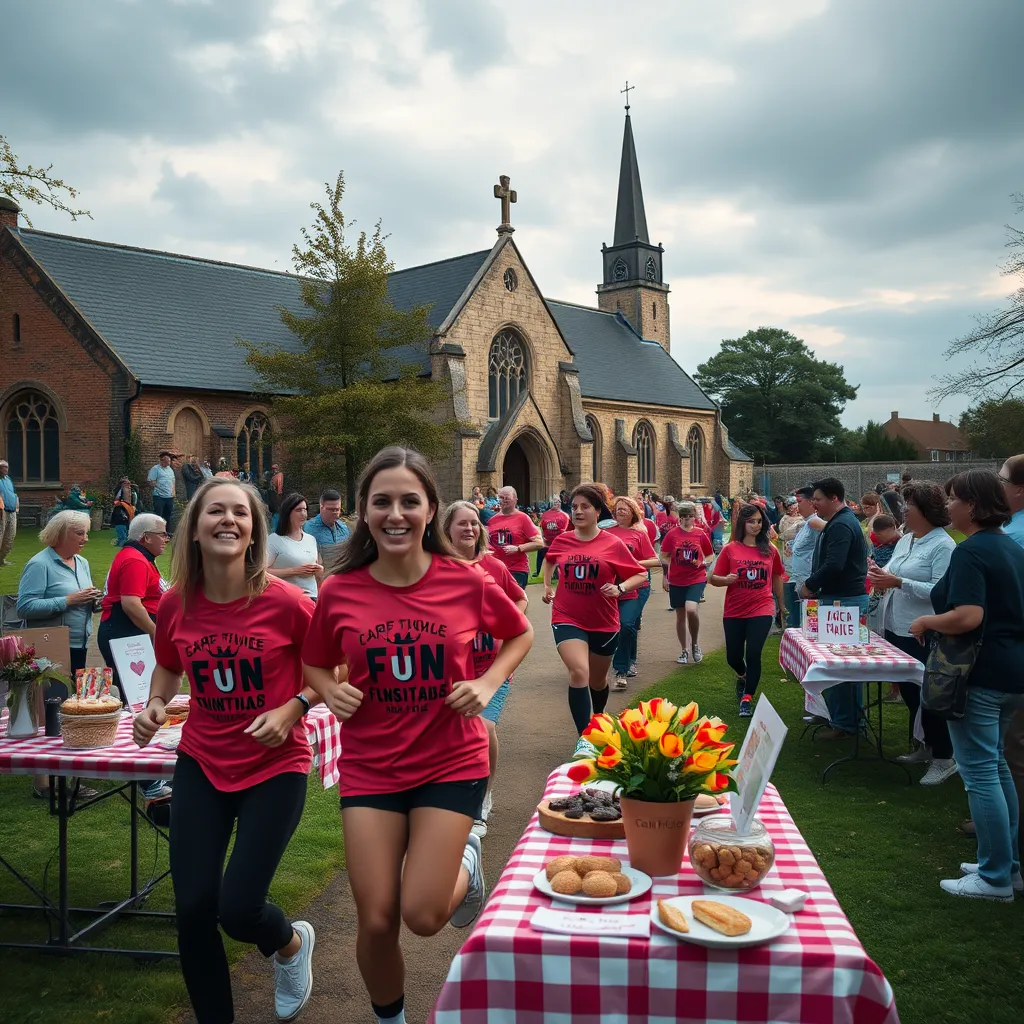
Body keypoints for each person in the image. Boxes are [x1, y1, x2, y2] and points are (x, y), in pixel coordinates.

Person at [301, 448, 532, 1024]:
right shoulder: (339, 590)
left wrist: (487, 682)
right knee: (377, 919)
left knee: (424, 915)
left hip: (450, 761)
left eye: (410, 501)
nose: (396, 513)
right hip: (372, 768)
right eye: (382, 501)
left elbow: (520, 633)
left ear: (430, 509)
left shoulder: (465, 579)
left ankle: (470, 863)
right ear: (363, 511)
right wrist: (329, 691)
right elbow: (314, 664)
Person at [132, 476, 321, 1021]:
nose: (228, 520)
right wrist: (155, 704)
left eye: (241, 513)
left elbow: (333, 667)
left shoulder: (285, 602)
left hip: (275, 765)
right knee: (192, 909)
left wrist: (293, 709)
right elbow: (168, 665)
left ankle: (289, 943)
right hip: (201, 764)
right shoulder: (175, 604)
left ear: (254, 531)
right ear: (193, 529)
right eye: (216, 511)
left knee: (237, 910)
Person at [909, 470, 1024, 901]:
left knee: (979, 772)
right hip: (1012, 672)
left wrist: (926, 621)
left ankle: (994, 877)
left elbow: (968, 616)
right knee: (994, 767)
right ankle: (1006, 866)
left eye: (954, 498)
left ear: (972, 506)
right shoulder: (1010, 547)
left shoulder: (972, 552)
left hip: (979, 673)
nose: (949, 506)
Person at [442, 499, 529, 838]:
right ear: (446, 529)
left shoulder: (493, 567)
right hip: (452, 670)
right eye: (462, 523)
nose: (470, 528)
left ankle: (482, 798)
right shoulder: (434, 568)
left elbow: (520, 599)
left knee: (483, 727)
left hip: (491, 666)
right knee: (457, 733)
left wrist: (506, 621)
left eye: (475, 522)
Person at [542, 484, 646, 751]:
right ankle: (584, 739)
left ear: (598, 511)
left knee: (597, 681)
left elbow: (640, 574)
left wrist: (620, 588)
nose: (577, 511)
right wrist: (547, 586)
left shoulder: (613, 543)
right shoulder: (563, 540)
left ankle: (598, 719)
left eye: (584, 506)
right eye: (574, 506)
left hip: (603, 621)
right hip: (567, 616)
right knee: (579, 672)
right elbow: (550, 559)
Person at [867, 483, 956, 784]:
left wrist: (898, 582)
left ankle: (944, 756)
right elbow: (891, 570)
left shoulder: (943, 546)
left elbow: (941, 591)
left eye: (910, 506)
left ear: (927, 510)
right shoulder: (907, 540)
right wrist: (878, 574)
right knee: (909, 690)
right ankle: (925, 744)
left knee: (930, 694)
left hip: (924, 629)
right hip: (896, 625)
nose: (904, 510)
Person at [18, 510, 101, 798]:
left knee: (71, 708)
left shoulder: (82, 562)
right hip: (49, 647)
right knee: (50, 712)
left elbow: (82, 597)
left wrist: (93, 600)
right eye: (79, 533)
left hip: (77, 644)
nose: (85, 538)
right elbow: (25, 607)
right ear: (60, 534)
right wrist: (69, 600)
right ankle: (44, 783)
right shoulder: (39, 564)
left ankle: (69, 772)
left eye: (86, 532)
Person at [97, 513, 171, 801]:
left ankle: (151, 770)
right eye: (162, 534)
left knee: (142, 701)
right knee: (137, 704)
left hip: (131, 637)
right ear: (145, 537)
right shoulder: (134, 560)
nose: (166, 539)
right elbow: (130, 603)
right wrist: (156, 632)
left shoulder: (140, 558)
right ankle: (147, 779)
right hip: (127, 638)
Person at [800, 477, 869, 739]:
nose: (814, 504)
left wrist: (809, 584)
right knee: (837, 665)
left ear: (834, 499)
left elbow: (834, 565)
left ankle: (847, 724)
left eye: (817, 499)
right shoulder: (839, 522)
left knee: (844, 666)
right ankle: (839, 719)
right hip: (840, 599)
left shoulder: (841, 525)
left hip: (845, 602)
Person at [710, 502, 786, 717]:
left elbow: (777, 576)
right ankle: (742, 676)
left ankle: (747, 698)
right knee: (733, 657)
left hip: (762, 607)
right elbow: (713, 579)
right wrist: (726, 579)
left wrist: (781, 605)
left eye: (759, 521)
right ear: (742, 523)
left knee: (753, 653)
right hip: (734, 610)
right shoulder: (730, 549)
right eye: (751, 521)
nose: (756, 525)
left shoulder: (770, 550)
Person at [606, 496, 660, 690]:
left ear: (633, 512)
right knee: (618, 627)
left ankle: (621, 670)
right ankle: (622, 660)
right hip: (608, 587)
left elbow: (655, 561)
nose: (620, 512)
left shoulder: (639, 534)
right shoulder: (606, 533)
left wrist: (632, 564)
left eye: (625, 509)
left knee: (627, 624)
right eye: (618, 509)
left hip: (635, 588)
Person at [998, 455, 1024, 860]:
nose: (996, 484)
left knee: (1013, 749)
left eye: (1000, 479)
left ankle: (1012, 845)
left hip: (1010, 650)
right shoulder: (1010, 530)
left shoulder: (1014, 537)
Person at [660, 501, 714, 668]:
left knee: (691, 609)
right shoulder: (672, 534)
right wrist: (665, 574)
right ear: (680, 518)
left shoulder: (700, 534)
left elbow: (710, 555)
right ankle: (684, 649)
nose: (687, 520)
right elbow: (663, 555)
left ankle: (695, 644)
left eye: (690, 516)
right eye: (684, 517)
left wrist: (702, 562)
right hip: (677, 579)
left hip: (696, 578)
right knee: (680, 615)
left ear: (694, 517)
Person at [268, 492, 323, 599]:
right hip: (287, 600)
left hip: (312, 599)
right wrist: (293, 571)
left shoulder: (311, 540)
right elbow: (261, 572)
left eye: (305, 509)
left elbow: (316, 569)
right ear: (288, 513)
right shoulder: (274, 540)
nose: (303, 514)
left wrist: (319, 571)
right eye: (298, 510)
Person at [486, 486, 543, 588]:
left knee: (514, 602)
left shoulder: (523, 518)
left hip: (517, 570)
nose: (503, 501)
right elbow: (488, 543)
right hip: (497, 569)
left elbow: (539, 543)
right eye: (500, 498)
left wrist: (518, 548)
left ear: (515, 499)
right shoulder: (492, 520)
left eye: (506, 498)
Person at [786, 487, 824, 627]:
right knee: (802, 625)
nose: (796, 506)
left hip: (808, 584)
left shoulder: (814, 521)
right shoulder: (807, 523)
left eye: (799, 501)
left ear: (810, 502)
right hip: (800, 581)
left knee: (810, 624)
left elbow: (834, 528)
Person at [303, 489, 350, 575]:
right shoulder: (307, 528)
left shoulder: (344, 528)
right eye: (331, 509)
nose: (335, 513)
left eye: (338, 509)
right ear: (321, 507)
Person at [537, 501, 571, 577]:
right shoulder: (545, 514)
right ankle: (539, 572)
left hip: (559, 542)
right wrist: (542, 537)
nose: (557, 504)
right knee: (541, 553)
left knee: (559, 558)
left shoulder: (564, 515)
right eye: (555, 502)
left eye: (558, 502)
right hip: (547, 541)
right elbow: (542, 527)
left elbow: (566, 529)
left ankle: (559, 574)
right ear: (551, 504)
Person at [147, 451, 178, 532]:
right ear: (162, 460)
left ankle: (167, 533)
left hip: (169, 496)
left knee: (168, 515)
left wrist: (173, 492)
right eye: (167, 461)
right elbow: (150, 482)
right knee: (158, 516)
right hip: (159, 496)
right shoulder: (155, 469)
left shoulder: (170, 469)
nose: (169, 463)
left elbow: (173, 481)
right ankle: (157, 532)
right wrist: (159, 487)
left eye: (169, 461)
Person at [109, 476, 138, 547]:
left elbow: (135, 500)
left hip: (129, 509)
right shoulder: (120, 490)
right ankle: (121, 543)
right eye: (126, 483)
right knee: (122, 527)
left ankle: (123, 543)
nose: (128, 484)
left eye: (129, 483)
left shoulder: (132, 491)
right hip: (121, 510)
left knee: (126, 527)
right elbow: (116, 500)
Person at [0, 458, 19, 567]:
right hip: (2, 512)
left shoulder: (8, 480)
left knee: (10, 536)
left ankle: (1, 559)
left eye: (7, 467)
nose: (6, 469)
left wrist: (16, 506)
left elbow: (13, 493)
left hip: (12, 511)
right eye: (3, 467)